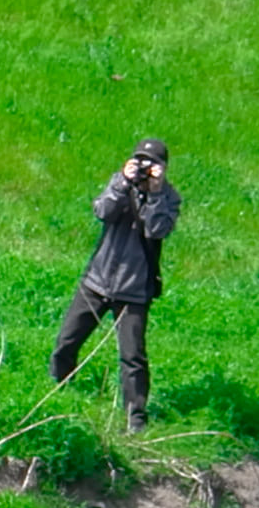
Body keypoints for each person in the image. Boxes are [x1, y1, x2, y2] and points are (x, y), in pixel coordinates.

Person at [51, 136, 181, 434]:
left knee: (133, 357)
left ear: (164, 168)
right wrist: (123, 182)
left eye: (153, 164)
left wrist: (156, 193)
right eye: (140, 161)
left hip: (134, 289)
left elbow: (158, 229)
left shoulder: (169, 197)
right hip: (97, 281)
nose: (146, 168)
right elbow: (102, 212)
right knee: (66, 343)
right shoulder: (121, 182)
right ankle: (60, 392)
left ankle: (135, 419)